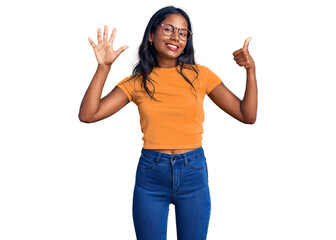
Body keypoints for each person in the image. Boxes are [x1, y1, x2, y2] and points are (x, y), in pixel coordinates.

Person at [79, 5, 257, 240]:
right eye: (169, 29)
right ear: (151, 35)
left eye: (183, 33)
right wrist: (104, 68)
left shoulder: (200, 75)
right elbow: (88, 114)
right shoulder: (137, 82)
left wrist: (251, 70)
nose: (176, 37)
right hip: (152, 175)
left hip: (193, 172)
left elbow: (247, 115)